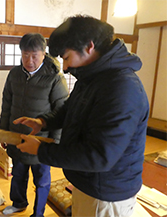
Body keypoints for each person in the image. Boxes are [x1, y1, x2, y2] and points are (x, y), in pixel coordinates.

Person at [14, 15, 148, 217]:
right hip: (88, 182)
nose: (66, 67)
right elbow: (69, 109)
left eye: (66, 57)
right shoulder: (93, 77)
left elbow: (99, 156)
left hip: (106, 193)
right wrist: (43, 121)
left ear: (89, 47)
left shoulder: (121, 87)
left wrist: (42, 149)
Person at [0, 33, 69, 217]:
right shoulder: (14, 74)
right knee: (18, 175)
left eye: (34, 55)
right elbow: (6, 104)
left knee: (42, 181)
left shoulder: (54, 78)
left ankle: (38, 214)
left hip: (41, 141)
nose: (29, 60)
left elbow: (62, 111)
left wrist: (56, 141)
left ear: (43, 54)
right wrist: (3, 132)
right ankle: (19, 204)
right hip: (17, 137)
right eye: (25, 55)